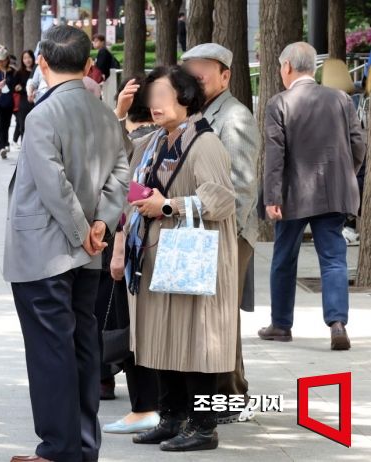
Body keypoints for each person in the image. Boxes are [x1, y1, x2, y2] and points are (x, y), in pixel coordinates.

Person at [4, 25, 129, 462]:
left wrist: (84, 230)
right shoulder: (104, 114)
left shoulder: (42, 115)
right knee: (81, 348)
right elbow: (121, 171)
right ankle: (81, 445)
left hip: (46, 252)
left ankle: (57, 448)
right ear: (88, 64)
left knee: (50, 352)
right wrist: (100, 224)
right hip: (87, 253)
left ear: (41, 62)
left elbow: (53, 185)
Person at [123, 66, 237, 452]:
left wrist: (167, 205)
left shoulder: (205, 143)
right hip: (162, 255)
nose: (153, 104)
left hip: (193, 256)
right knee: (164, 336)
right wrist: (122, 115)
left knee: (196, 339)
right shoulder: (157, 140)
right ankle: (172, 418)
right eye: (151, 97)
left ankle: (203, 427)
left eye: (161, 96)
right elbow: (124, 164)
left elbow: (220, 200)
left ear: (186, 97)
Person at [259, 42, 365, 350]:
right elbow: (358, 144)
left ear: (288, 67)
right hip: (334, 192)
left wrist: (272, 195)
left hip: (293, 195)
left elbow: (275, 156)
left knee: (283, 258)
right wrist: (345, 171)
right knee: (333, 258)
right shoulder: (341, 99)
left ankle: (280, 325)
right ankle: (337, 323)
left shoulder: (279, 103)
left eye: (281, 67)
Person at [182, 42, 260, 424]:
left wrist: (225, 238)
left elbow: (242, 187)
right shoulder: (200, 112)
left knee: (223, 316)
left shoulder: (234, 117)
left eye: (203, 71)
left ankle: (232, 397)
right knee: (219, 317)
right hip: (206, 228)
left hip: (228, 232)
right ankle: (231, 393)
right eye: (190, 69)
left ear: (225, 76)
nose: (195, 76)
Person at [101, 76, 161, 435]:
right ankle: (148, 406)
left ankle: (150, 406)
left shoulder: (184, 140)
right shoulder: (152, 141)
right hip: (141, 246)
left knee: (143, 330)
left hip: (152, 247)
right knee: (138, 329)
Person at [0, 48, 15, 158]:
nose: (0, 62)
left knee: (6, 124)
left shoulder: (12, 71)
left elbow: (15, 85)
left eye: (2, 60)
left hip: (9, 102)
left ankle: (6, 142)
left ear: (7, 60)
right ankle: (1, 147)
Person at [12, 50, 35, 145]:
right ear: (22, 60)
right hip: (24, 102)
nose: (27, 60)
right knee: (24, 126)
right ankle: (24, 146)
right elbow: (15, 88)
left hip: (36, 101)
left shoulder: (37, 71)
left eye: (29, 57)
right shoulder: (19, 73)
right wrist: (22, 90)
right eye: (25, 58)